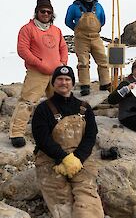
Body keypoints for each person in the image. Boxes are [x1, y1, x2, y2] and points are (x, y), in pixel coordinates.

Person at [32, 65, 104, 218]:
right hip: (50, 160)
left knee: (87, 194)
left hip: (81, 159)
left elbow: (91, 136)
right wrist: (64, 158)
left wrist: (77, 158)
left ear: (72, 83)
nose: (63, 82)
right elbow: (42, 139)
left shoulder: (85, 108)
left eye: (67, 79)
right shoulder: (42, 109)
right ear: (53, 82)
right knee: (61, 200)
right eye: (59, 79)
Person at [9, 0, 68, 148]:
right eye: (43, 11)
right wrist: (39, 64)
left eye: (49, 11)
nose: (46, 14)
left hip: (56, 74)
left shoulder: (56, 30)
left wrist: (63, 64)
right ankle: (16, 133)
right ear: (37, 12)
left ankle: (60, 129)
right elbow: (23, 50)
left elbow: (63, 47)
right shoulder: (27, 29)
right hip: (37, 72)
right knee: (27, 101)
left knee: (59, 102)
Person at [65, 0, 110, 96]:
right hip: (81, 38)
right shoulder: (74, 6)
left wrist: (96, 27)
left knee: (103, 60)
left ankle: (105, 84)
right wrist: (77, 30)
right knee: (83, 62)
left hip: (96, 37)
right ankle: (85, 86)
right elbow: (68, 21)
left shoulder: (98, 6)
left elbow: (102, 20)